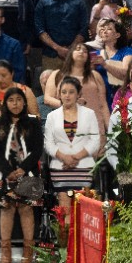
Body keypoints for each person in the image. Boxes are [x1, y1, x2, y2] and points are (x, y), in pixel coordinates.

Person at [0, 87, 43, 263]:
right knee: (6, 209)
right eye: (11, 100)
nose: (15, 103)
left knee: (26, 210)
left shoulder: (33, 123)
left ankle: (29, 251)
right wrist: (8, 171)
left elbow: (37, 150)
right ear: (6, 103)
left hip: (27, 172)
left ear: (25, 102)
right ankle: (6, 251)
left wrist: (22, 169)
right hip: (2, 174)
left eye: (19, 100)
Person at [43, 76, 101, 210]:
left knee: (84, 213)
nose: (67, 96)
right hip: (61, 169)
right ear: (59, 94)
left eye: (71, 92)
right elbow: (48, 143)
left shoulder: (89, 114)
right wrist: (64, 158)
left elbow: (95, 141)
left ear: (78, 94)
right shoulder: (52, 116)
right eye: (64, 92)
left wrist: (76, 157)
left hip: (84, 169)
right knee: (65, 213)